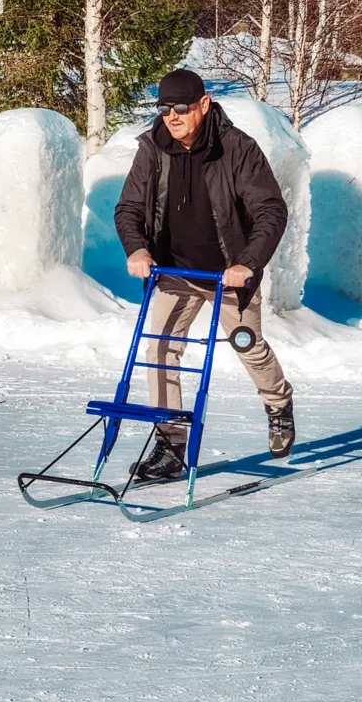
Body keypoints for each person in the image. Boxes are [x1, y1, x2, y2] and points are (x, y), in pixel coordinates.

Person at [114, 68, 294, 481]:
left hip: (228, 274)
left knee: (247, 345)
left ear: (203, 104)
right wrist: (137, 248)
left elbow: (271, 211)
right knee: (158, 350)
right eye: (164, 109)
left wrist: (247, 263)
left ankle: (278, 403)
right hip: (175, 270)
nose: (172, 117)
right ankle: (171, 444)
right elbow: (128, 209)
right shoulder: (152, 149)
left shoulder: (236, 149)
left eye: (181, 107)